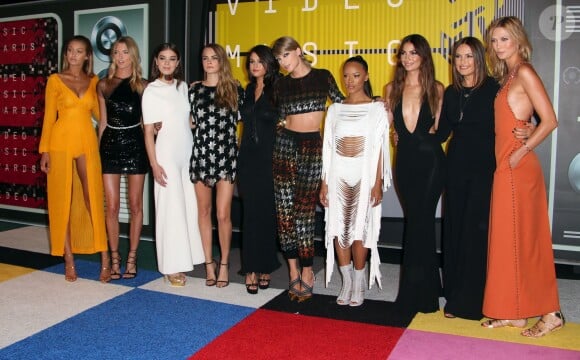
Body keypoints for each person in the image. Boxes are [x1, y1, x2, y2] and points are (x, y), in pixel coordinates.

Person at [481, 16, 564, 338]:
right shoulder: (509, 76)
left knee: (528, 242)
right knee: (507, 242)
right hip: (506, 167)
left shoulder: (525, 71)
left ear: (517, 39)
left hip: (518, 168)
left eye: (504, 39)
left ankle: (550, 313)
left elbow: (551, 120)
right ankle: (514, 313)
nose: (498, 46)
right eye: (494, 40)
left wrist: (524, 148)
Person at [272, 36, 344, 302]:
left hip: (313, 146)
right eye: (278, 59)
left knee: (304, 212)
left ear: (298, 51)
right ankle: (292, 270)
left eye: (285, 56)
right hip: (284, 146)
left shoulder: (323, 77)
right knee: (285, 212)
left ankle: (307, 270)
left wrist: (377, 102)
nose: (282, 63)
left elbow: (343, 104)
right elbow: (276, 117)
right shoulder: (280, 84)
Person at [436, 37, 500, 320]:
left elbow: (508, 124)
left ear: (478, 58)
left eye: (468, 57)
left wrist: (525, 131)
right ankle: (454, 292)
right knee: (455, 229)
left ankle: (472, 302)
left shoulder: (494, 89)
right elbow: (441, 133)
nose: (462, 62)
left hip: (485, 167)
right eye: (458, 57)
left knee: (476, 233)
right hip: (456, 166)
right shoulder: (451, 92)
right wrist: (405, 132)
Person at [320, 56, 391, 306]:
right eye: (346, 76)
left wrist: (377, 182)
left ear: (367, 76)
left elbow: (381, 148)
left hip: (364, 175)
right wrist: (324, 182)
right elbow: (327, 148)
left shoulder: (377, 109)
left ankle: (359, 283)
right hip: (338, 173)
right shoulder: (334, 109)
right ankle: (347, 281)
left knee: (360, 229)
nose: (350, 81)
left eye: (356, 75)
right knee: (339, 229)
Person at [39, 35, 110, 283]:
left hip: (87, 144)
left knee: (93, 199)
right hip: (59, 144)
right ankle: (68, 260)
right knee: (62, 202)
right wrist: (44, 151)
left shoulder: (94, 82)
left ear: (87, 56)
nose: (73, 55)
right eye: (70, 51)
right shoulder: (55, 81)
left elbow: (101, 116)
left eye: (79, 51)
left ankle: (106, 258)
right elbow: (48, 118)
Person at [385, 34, 445, 314]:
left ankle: (419, 295)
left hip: (432, 162)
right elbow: (388, 129)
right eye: (403, 53)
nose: (407, 58)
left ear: (424, 57)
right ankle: (427, 289)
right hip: (405, 162)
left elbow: (441, 129)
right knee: (416, 222)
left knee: (420, 222)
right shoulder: (390, 90)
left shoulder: (437, 89)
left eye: (413, 53)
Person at [142, 43, 204, 286]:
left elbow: (188, 122)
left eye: (172, 59)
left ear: (178, 63)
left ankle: (187, 258)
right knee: (170, 210)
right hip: (165, 154)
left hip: (187, 154)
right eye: (162, 58)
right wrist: (154, 164)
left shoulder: (183, 88)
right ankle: (170, 266)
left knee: (188, 208)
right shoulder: (151, 91)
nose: (167, 63)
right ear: (156, 62)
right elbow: (148, 132)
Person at [189, 44, 244, 288]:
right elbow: (188, 122)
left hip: (226, 157)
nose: (209, 62)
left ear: (222, 61)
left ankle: (224, 263)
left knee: (223, 214)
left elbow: (248, 121)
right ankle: (208, 264)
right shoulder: (193, 90)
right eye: (205, 58)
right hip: (201, 155)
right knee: (203, 213)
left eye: (214, 58)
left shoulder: (235, 89)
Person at [97, 36, 148, 280]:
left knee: (136, 205)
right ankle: (115, 256)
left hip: (136, 144)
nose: (120, 56)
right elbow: (103, 122)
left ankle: (132, 257)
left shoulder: (144, 86)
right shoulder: (103, 85)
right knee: (113, 206)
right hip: (110, 145)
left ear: (133, 55)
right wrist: (98, 151)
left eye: (125, 52)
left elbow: (150, 122)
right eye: (116, 52)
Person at [238, 45, 282, 294]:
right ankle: (251, 269)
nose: (255, 66)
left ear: (268, 63)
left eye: (259, 61)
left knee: (267, 215)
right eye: (251, 61)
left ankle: (265, 265)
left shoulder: (279, 90)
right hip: (247, 159)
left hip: (270, 159)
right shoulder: (247, 90)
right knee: (250, 215)